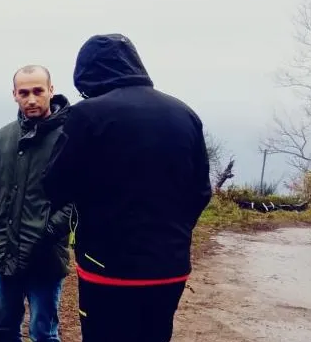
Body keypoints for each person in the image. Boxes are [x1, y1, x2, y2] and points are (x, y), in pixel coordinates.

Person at [44, 33, 212, 342]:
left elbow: (55, 186)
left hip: (107, 266)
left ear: (86, 74)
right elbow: (201, 191)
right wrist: (173, 231)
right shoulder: (185, 114)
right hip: (169, 266)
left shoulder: (87, 114)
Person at [0, 64, 75, 342]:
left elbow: (77, 201)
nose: (31, 99)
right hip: (4, 255)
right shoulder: (3, 137)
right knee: (5, 329)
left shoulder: (70, 136)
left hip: (47, 257)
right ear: (14, 94)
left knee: (43, 332)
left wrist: (45, 234)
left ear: (51, 91)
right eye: (24, 92)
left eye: (38, 91)